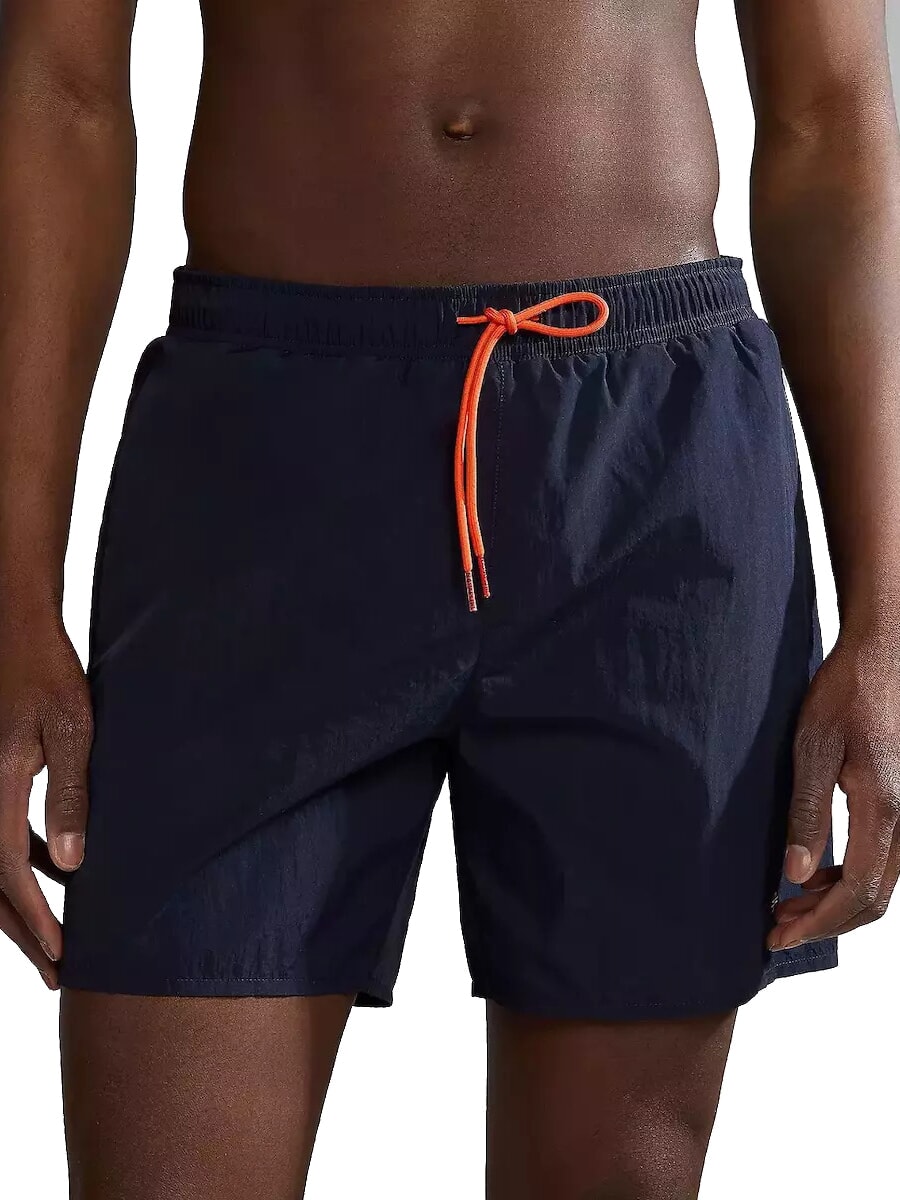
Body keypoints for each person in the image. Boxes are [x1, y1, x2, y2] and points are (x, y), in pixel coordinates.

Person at [1, 1, 899, 1196]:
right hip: (258, 464)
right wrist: (12, 598)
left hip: (648, 477)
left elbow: (827, 117)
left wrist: (887, 620)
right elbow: (59, 91)